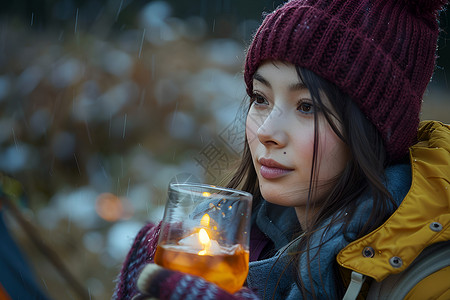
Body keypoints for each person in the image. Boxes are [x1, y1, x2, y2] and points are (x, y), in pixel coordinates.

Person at [113, 0, 450, 299]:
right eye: (261, 99)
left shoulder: (430, 279)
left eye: (307, 107)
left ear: (373, 131)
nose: (265, 132)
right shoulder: (236, 244)